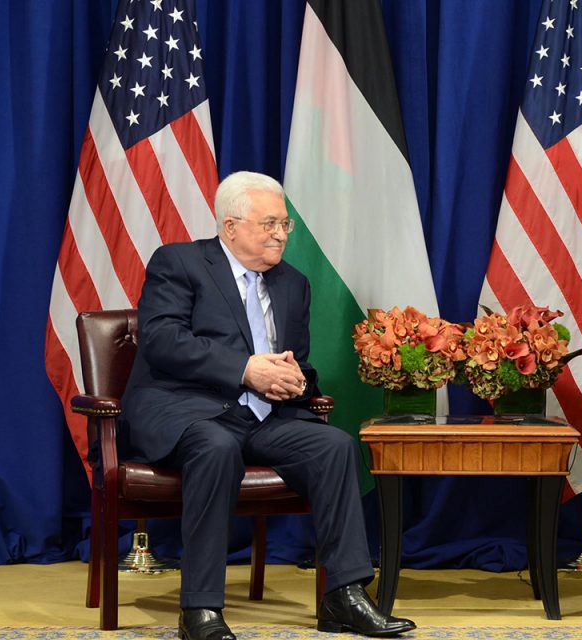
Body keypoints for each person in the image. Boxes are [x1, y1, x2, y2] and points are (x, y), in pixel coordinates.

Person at [120, 171, 415, 640]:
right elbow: (163, 340)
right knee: (216, 447)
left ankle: (344, 595)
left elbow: (297, 361)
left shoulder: (293, 283)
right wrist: (245, 369)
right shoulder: (180, 262)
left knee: (334, 446)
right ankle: (200, 610)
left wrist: (296, 380)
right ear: (231, 226)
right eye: (269, 224)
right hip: (189, 410)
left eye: (285, 224)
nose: (281, 234)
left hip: (262, 417)